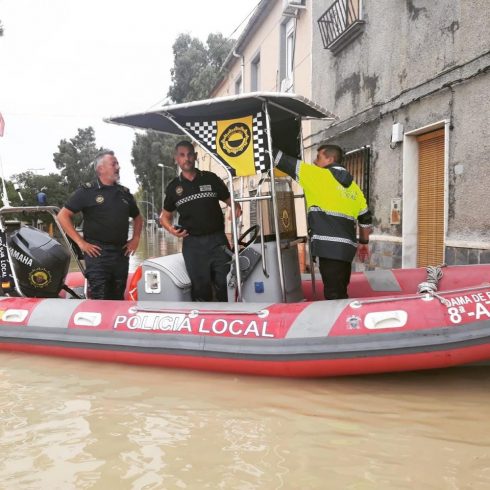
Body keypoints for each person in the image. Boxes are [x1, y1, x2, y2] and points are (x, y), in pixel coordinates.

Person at [274, 144, 372, 300]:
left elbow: (281, 159)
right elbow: (366, 219)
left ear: (330, 159)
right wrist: (364, 242)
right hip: (346, 251)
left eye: (318, 157)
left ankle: (341, 322)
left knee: (334, 295)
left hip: (329, 247)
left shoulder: (316, 175)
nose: (314, 161)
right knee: (340, 290)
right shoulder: (354, 188)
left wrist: (263, 138)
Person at [160, 141, 242, 302]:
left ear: (196, 156)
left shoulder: (211, 178)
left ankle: (229, 320)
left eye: (190, 154)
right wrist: (171, 230)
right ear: (176, 159)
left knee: (226, 284)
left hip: (218, 241)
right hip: (193, 245)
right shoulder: (173, 188)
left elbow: (231, 201)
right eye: (182, 155)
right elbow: (164, 217)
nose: (187, 158)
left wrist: (235, 209)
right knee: (200, 289)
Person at [58, 150, 143, 300]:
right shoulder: (87, 191)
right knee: (100, 296)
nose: (118, 167)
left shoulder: (124, 193)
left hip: (121, 253)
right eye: (114, 164)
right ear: (100, 168)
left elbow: (138, 217)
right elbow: (63, 216)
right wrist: (81, 243)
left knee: (118, 295)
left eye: (118, 163)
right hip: (97, 253)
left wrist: (136, 238)